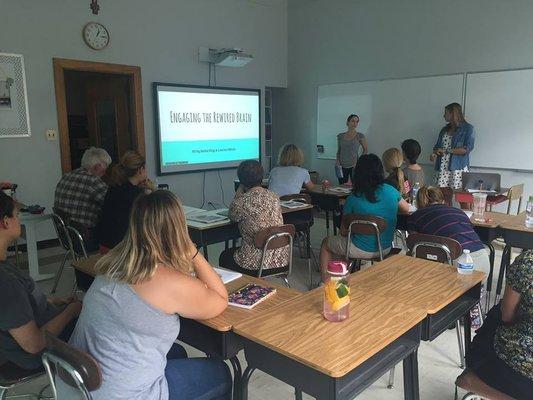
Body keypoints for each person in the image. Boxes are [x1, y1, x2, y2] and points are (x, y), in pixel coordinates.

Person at [69, 190, 231, 400]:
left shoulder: (112, 265)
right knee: (220, 373)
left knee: (177, 352)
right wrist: (192, 252)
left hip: (81, 386)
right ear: (178, 229)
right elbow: (220, 299)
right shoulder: (170, 282)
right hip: (125, 395)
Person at [0, 192, 81, 370]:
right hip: (40, 354)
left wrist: (52, 301)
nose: (18, 220)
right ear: (6, 222)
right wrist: (70, 312)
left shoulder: (5, 266)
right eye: (17, 215)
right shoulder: (7, 283)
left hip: (36, 329)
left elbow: (16, 310)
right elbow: (34, 344)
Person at [456, 250, 533, 400]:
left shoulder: (529, 261)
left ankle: (473, 381)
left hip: (516, 353)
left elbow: (506, 315)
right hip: (478, 260)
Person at [320, 154, 410, 281]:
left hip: (358, 248)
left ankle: (327, 281)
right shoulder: (391, 191)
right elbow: (406, 209)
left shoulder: (353, 198)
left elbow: (343, 232)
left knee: (326, 243)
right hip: (384, 248)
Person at [219, 160, 289, 276]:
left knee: (224, 256)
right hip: (280, 259)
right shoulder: (274, 196)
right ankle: (260, 282)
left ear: (241, 180)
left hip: (254, 263)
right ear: (261, 177)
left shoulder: (241, 202)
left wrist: (239, 190)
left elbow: (232, 216)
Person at [407, 186, 490, 275]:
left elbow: (414, 245)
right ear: (443, 201)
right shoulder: (459, 212)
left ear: (419, 203)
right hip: (483, 263)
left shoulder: (416, 217)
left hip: (458, 267)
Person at [54, 147, 111, 250]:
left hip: (66, 236)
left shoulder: (66, 176)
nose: (104, 173)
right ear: (97, 167)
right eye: (104, 169)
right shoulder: (93, 181)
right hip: (85, 238)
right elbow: (113, 202)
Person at [97, 150, 155, 251]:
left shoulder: (113, 188)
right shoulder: (138, 195)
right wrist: (154, 189)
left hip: (105, 243)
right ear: (140, 170)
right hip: (122, 248)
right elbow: (154, 214)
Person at [430, 103, 475, 189]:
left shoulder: (468, 129)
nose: (443, 116)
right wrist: (434, 153)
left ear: (452, 114)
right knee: (444, 195)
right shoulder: (444, 130)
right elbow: (437, 147)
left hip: (458, 168)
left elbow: (466, 149)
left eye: (446, 113)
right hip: (442, 167)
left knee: (462, 198)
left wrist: (446, 151)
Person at [336, 114, 368, 184]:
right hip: (342, 165)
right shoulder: (340, 136)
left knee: (355, 185)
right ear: (348, 122)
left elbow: (365, 149)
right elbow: (339, 150)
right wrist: (337, 162)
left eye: (357, 122)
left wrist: (359, 162)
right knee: (341, 186)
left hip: (354, 165)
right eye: (353, 121)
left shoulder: (360, 136)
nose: (355, 123)